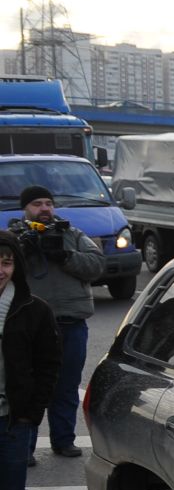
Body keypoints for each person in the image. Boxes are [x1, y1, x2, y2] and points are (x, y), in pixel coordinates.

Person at [10, 185, 103, 461]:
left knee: (66, 386)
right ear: (26, 208)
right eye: (37, 204)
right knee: (28, 387)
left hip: (70, 323)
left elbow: (96, 265)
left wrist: (64, 256)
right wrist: (23, 251)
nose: (45, 209)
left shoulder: (72, 235)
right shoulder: (15, 237)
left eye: (48, 203)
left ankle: (63, 441)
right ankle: (23, 448)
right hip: (29, 328)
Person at [0, 230, 62, 490]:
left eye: (7, 263)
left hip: (13, 423)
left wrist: (32, 413)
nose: (0, 270)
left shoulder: (34, 310)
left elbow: (49, 364)